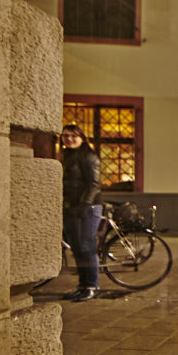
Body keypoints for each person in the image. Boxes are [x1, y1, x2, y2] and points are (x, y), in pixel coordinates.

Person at [60, 124, 102, 302]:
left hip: (87, 208)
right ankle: (82, 286)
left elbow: (94, 184)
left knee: (86, 247)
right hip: (71, 207)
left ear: (82, 138)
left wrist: (84, 205)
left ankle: (92, 286)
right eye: (65, 136)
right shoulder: (66, 156)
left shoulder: (88, 157)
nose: (69, 139)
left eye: (73, 136)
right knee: (77, 249)